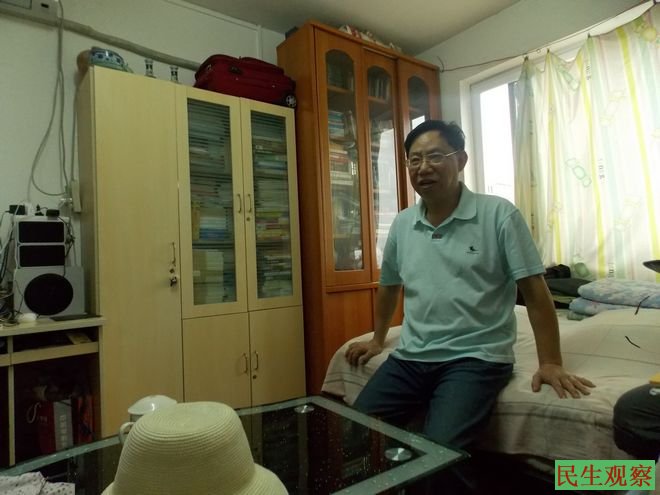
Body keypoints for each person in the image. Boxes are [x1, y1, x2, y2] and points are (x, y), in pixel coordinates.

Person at [345, 119, 595, 493]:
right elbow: (389, 288)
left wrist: (550, 362)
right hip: (412, 357)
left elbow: (535, 294)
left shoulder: (499, 215)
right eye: (414, 160)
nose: (423, 168)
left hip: (475, 358)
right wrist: (378, 340)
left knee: (439, 455)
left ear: (460, 160)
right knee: (354, 433)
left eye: (434, 156)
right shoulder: (402, 224)